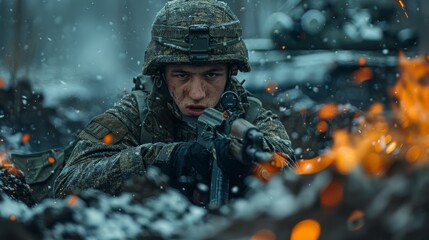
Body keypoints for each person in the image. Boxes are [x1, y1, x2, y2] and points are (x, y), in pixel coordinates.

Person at [53, 0, 296, 206]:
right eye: (182, 75)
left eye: (211, 75)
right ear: (161, 74)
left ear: (230, 72)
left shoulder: (250, 117)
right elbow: (66, 185)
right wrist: (167, 160)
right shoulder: (137, 113)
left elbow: (297, 186)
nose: (197, 93)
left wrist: (245, 169)